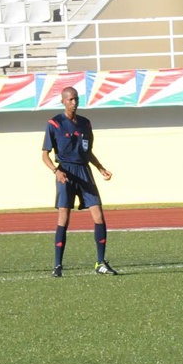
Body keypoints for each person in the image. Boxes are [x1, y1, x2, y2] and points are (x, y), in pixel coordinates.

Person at [42, 86, 117, 277]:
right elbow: (45, 155)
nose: (74, 102)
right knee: (64, 219)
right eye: (70, 100)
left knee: (99, 215)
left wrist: (100, 168)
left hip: (84, 171)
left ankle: (100, 263)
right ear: (63, 101)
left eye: (76, 99)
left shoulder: (85, 123)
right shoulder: (54, 123)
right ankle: (58, 265)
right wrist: (56, 171)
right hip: (65, 172)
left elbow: (88, 151)